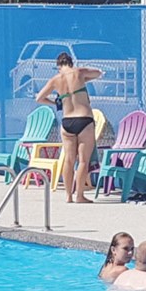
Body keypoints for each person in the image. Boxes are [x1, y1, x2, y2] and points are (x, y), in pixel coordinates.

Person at [35, 52, 102, 204]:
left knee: (69, 160)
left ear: (58, 66)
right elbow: (98, 73)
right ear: (71, 63)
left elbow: (39, 98)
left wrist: (55, 103)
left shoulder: (55, 80)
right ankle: (79, 195)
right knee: (83, 161)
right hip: (84, 119)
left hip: (67, 121)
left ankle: (68, 196)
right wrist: (86, 77)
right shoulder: (78, 72)